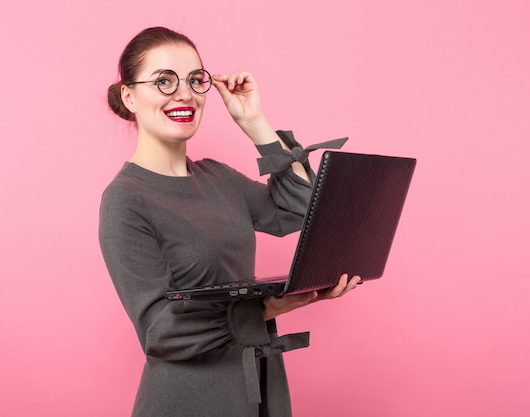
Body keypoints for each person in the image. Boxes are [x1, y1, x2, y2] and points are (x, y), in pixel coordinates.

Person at [99, 26, 361, 417]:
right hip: (192, 397)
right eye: (164, 81)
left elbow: (303, 208)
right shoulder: (125, 199)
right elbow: (160, 332)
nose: (184, 93)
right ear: (129, 95)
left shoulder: (218, 177)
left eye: (194, 80)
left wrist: (255, 122)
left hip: (258, 379)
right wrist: (270, 308)